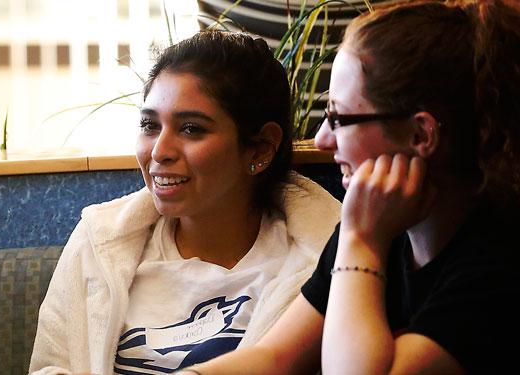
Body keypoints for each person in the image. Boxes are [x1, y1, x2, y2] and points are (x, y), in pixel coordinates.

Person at [182, 1, 520, 373]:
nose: (323, 139)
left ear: (420, 134)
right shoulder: (380, 226)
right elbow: (274, 358)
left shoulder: (499, 258)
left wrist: (362, 243)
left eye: (339, 117)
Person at [27, 30, 341, 374]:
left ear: (261, 148)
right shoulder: (99, 240)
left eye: (191, 129)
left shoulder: (325, 260)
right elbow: (51, 367)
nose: (159, 152)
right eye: (150, 125)